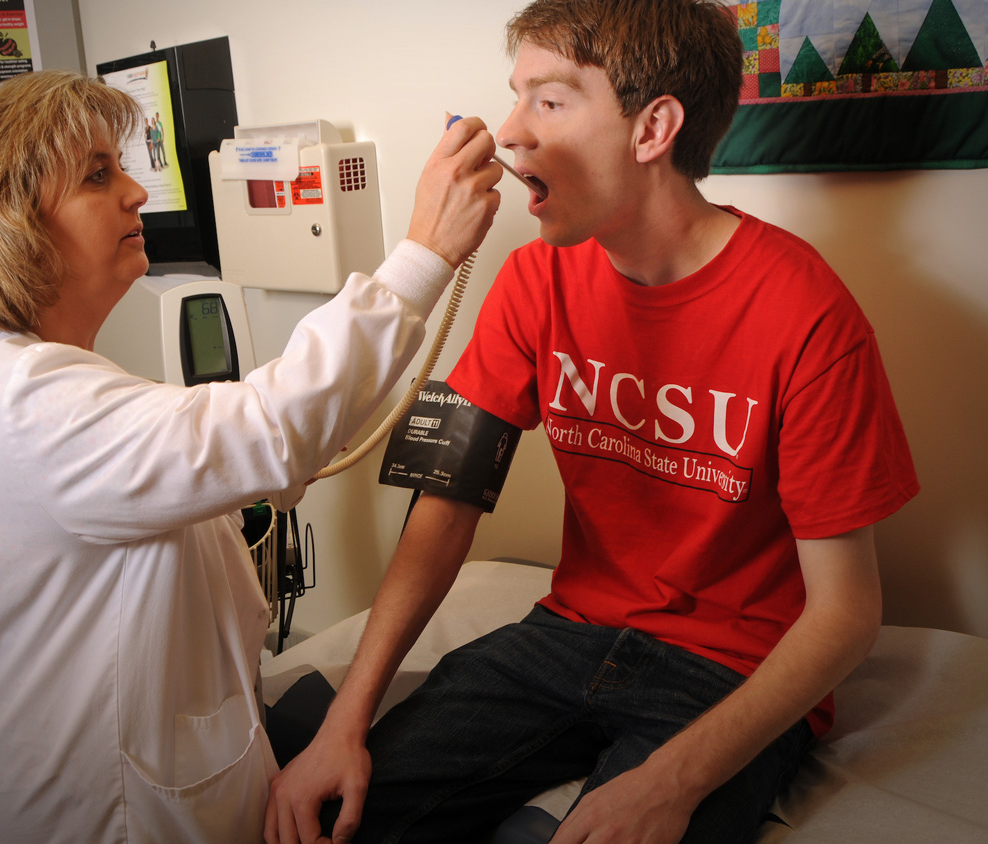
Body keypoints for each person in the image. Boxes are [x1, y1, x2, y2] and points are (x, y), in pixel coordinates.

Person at [265, 2, 920, 843]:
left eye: (549, 100)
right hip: (569, 635)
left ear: (653, 129)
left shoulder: (807, 316)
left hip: (730, 670)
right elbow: (447, 501)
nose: (507, 132)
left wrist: (669, 782)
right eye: (515, 98)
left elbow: (846, 613)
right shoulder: (534, 281)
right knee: (339, 818)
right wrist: (343, 723)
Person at [0, 69, 501, 844]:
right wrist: (425, 253)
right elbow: (273, 426)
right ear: (16, 221)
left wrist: (265, 473)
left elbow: (243, 448)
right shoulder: (31, 404)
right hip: (107, 813)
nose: (136, 191)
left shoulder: (33, 375)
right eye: (99, 175)